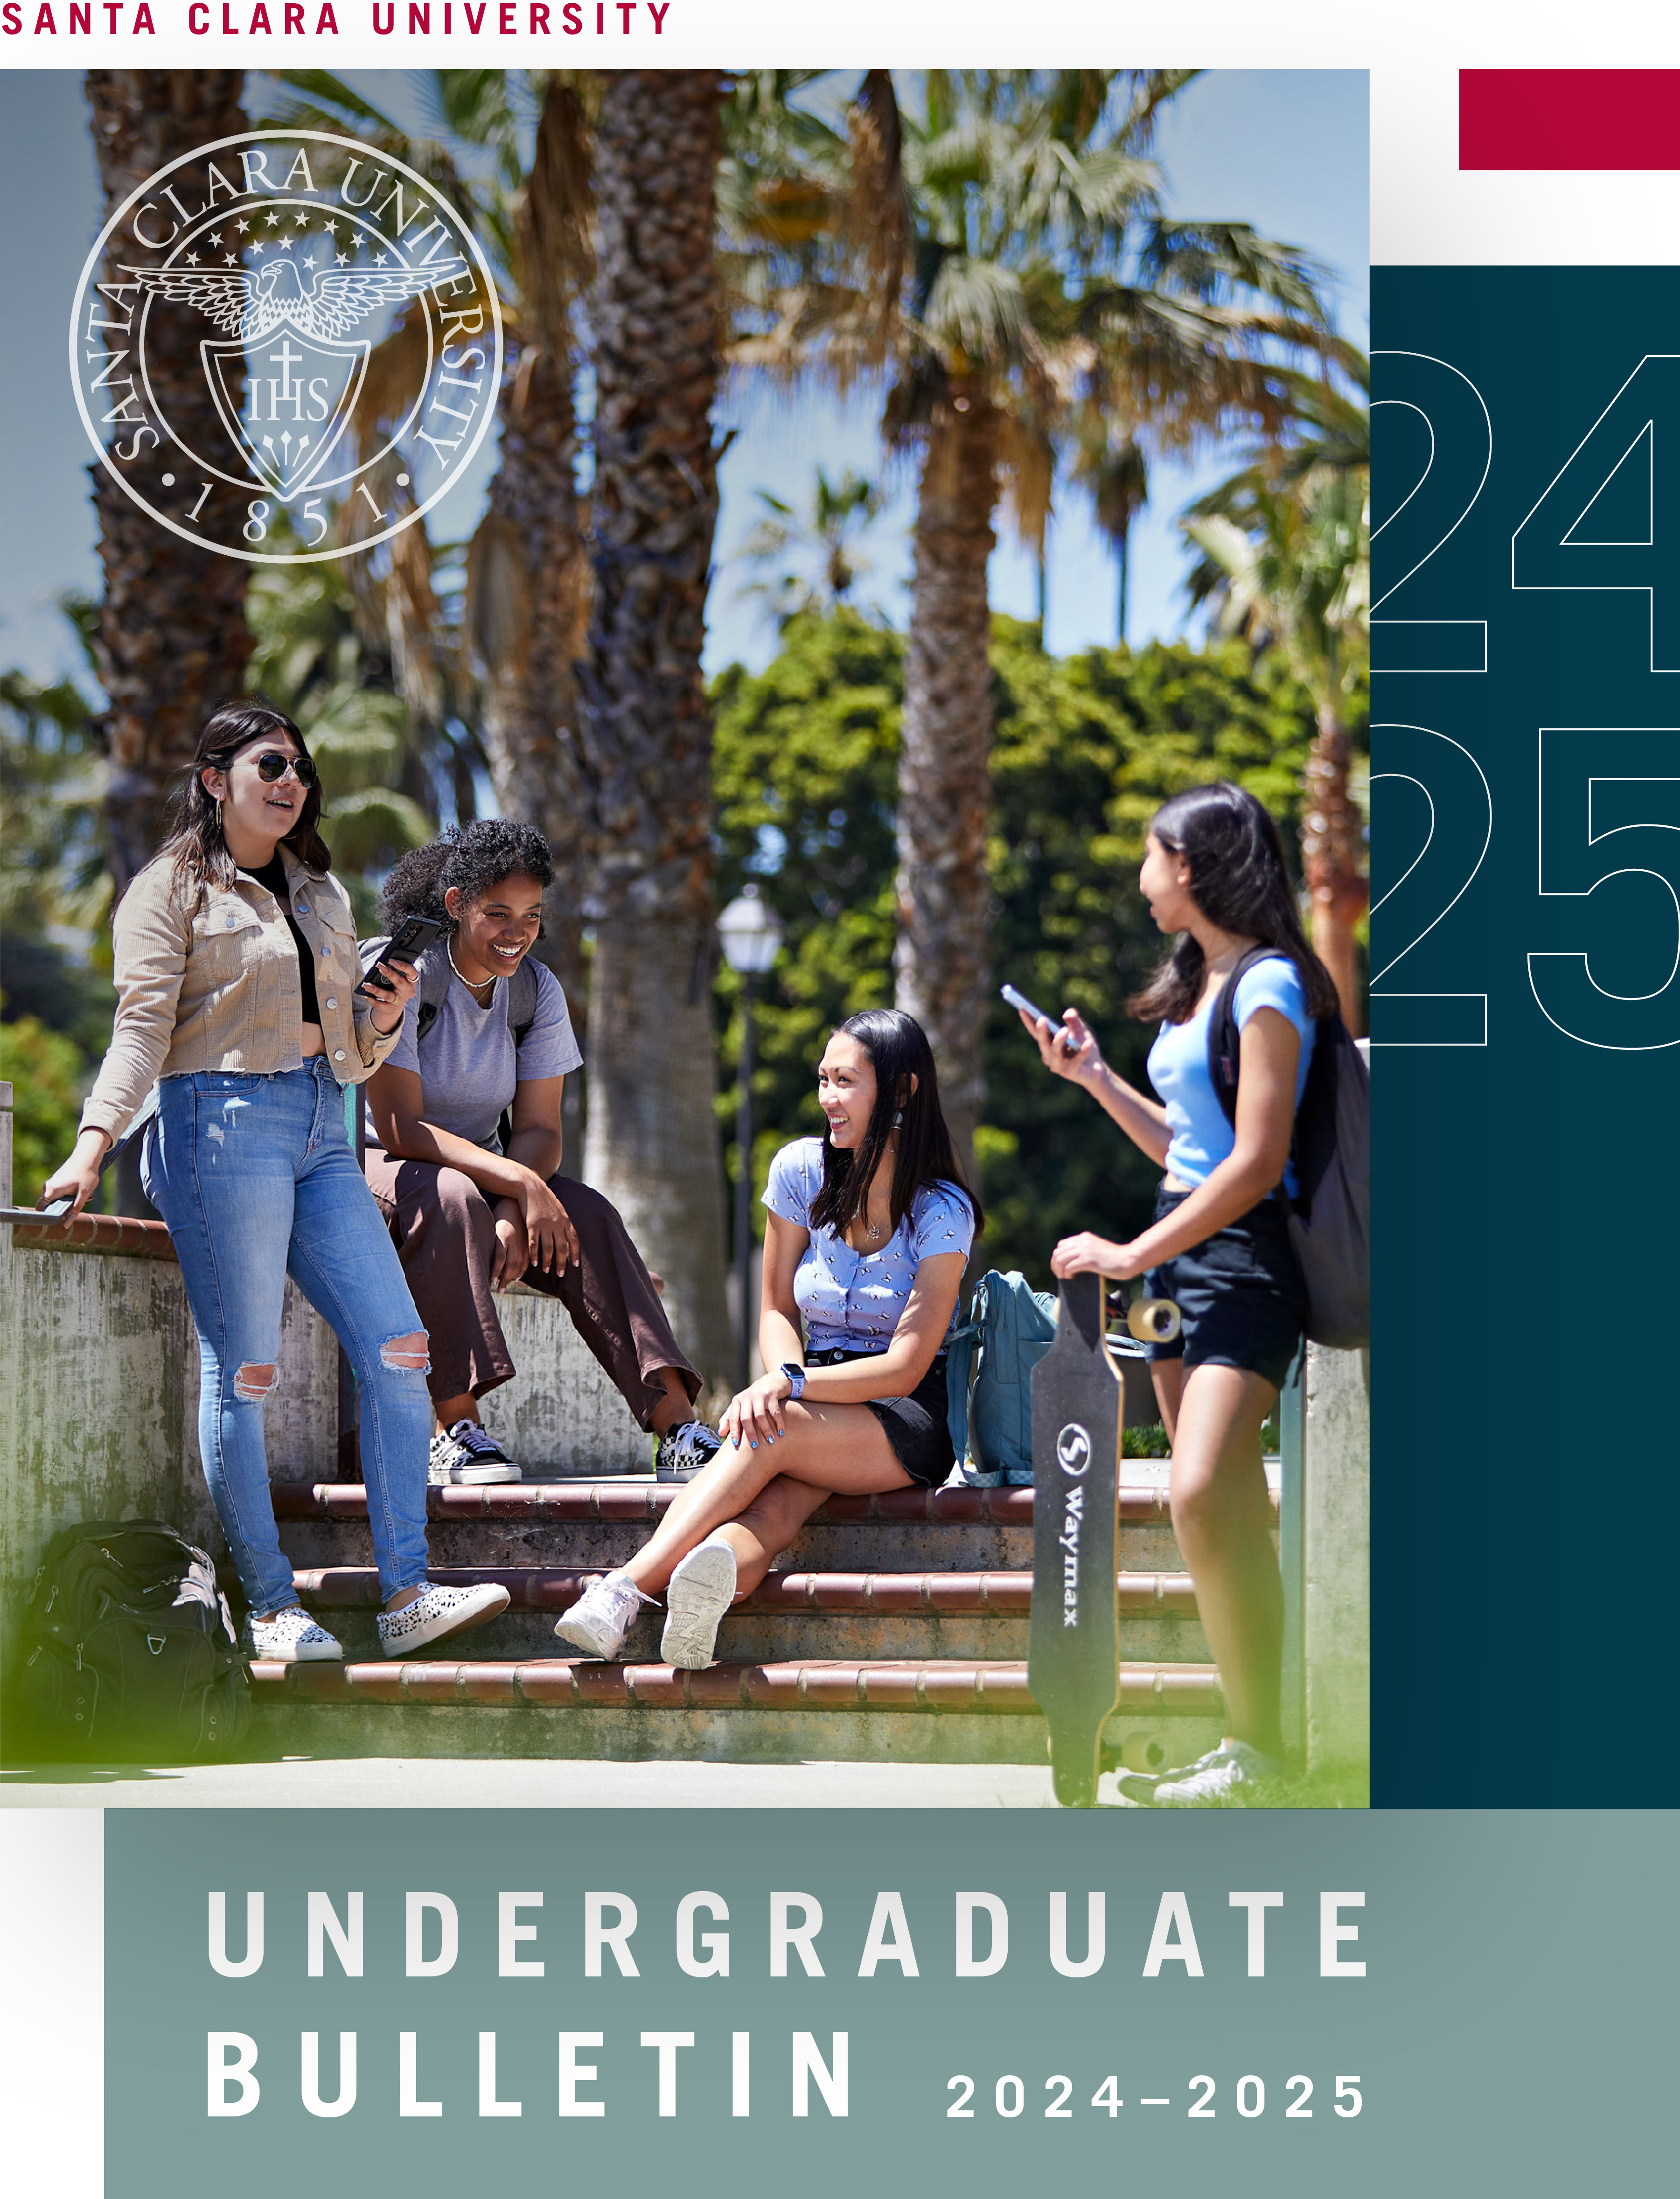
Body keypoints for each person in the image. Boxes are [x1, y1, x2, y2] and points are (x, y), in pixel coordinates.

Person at [39, 700, 509, 1662]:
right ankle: (269, 1601)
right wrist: (92, 1143)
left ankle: (406, 1592)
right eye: (269, 764)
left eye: (299, 765)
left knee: (399, 1348)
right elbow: (140, 1030)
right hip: (217, 1123)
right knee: (245, 1368)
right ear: (215, 780)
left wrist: (387, 1015)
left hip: (319, 1127)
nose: (291, 780)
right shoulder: (168, 891)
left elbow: (351, 1055)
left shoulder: (321, 894)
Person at [1018, 780, 1339, 1804]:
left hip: (1238, 1260)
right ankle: (1256, 1749)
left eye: (1152, 854)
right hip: (1170, 1264)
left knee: (1202, 1488)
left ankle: (1260, 1745)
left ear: (1192, 864)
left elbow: (1254, 1161)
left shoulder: (1271, 985)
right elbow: (1186, 1147)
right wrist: (1096, 1081)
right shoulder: (1202, 986)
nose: (1141, 874)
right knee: (1214, 1507)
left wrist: (1123, 1249)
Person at [553, 1009, 980, 1669]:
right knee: (775, 1510)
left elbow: (905, 1365)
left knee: (770, 1429)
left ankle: (623, 1589)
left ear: (901, 1091)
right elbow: (776, 1307)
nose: (827, 1098)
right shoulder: (799, 1172)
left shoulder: (941, 1210)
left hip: (904, 1414)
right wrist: (785, 1371)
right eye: (823, 1079)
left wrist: (788, 1383)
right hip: (811, 1395)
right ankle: (706, 1596)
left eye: (846, 1081)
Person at [360, 822, 719, 1482]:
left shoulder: (534, 990)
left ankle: (677, 1428)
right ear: (455, 904)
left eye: (531, 916)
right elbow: (399, 1126)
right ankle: (456, 1429)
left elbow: (540, 1128)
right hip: (372, 1163)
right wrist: (517, 1189)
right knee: (449, 1197)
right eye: (497, 913)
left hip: (480, 1170)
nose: (515, 933)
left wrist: (516, 1198)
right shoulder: (405, 973)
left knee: (589, 1214)